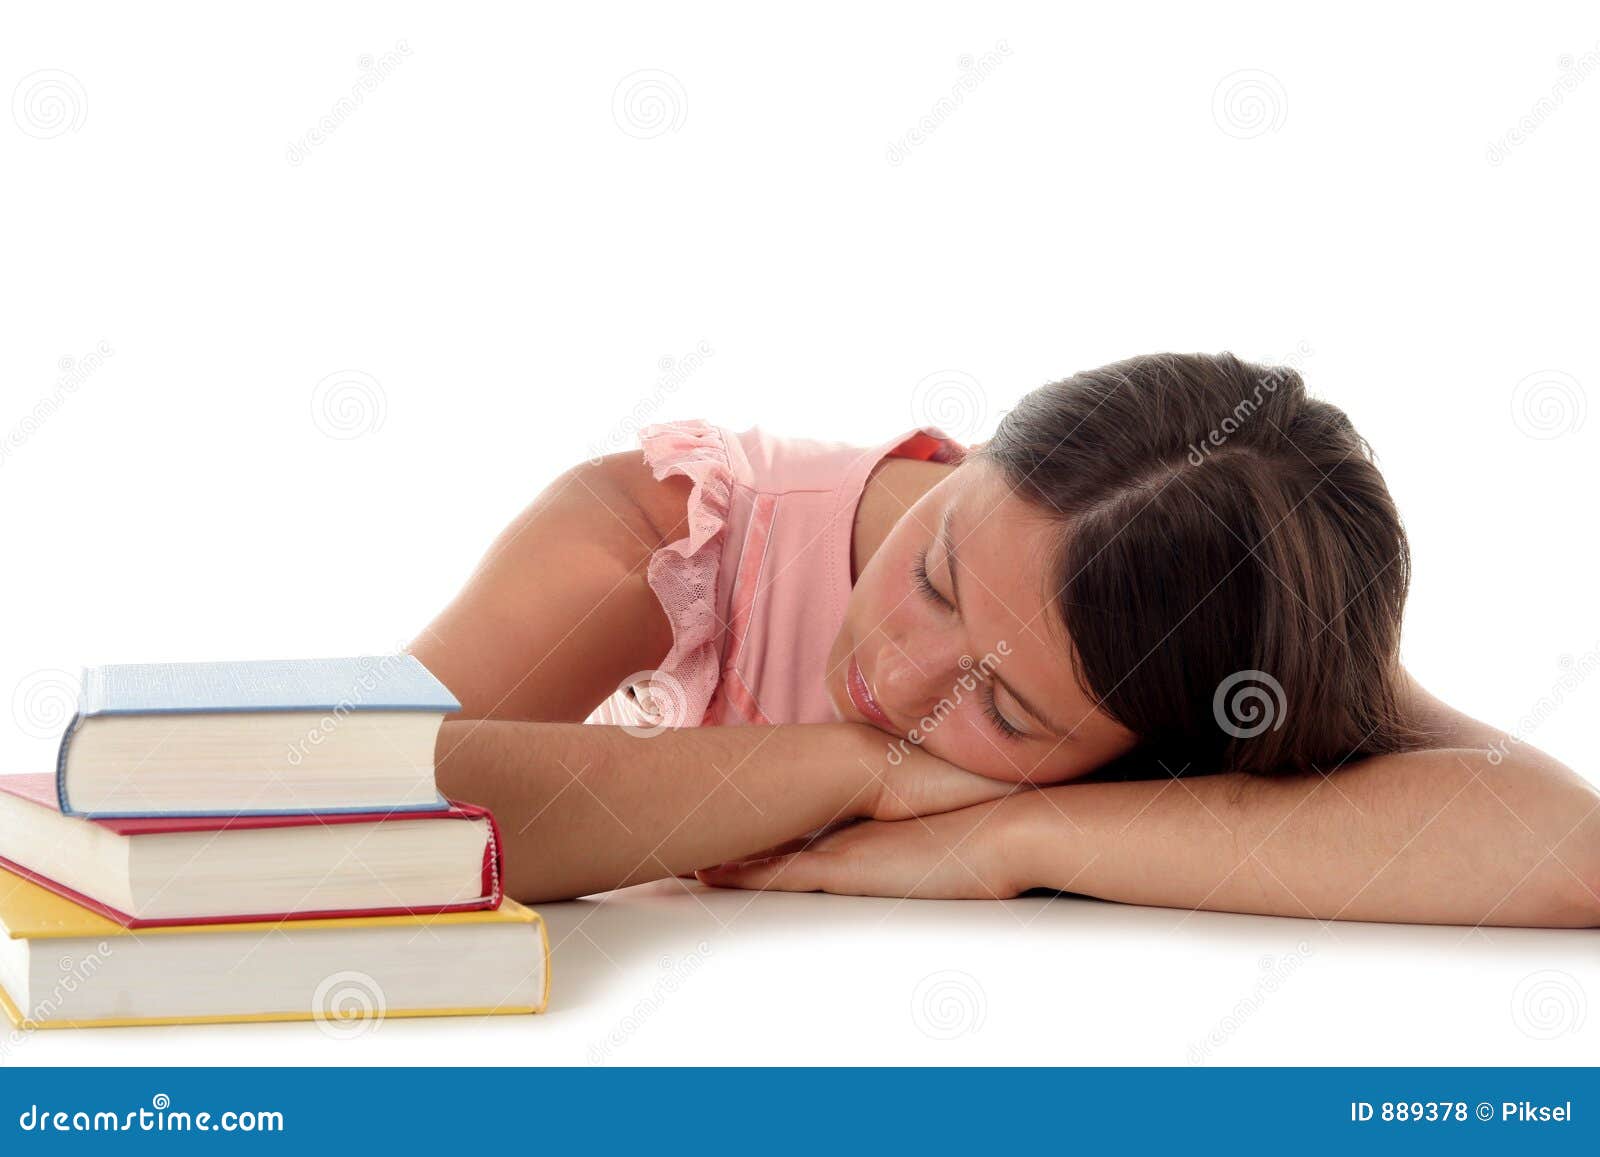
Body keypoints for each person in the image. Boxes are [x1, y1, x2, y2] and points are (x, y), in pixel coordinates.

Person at [413, 352, 1599, 927]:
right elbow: (367, 806)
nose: (897, 673)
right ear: (962, 456)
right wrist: (856, 769)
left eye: (1011, 709)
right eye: (932, 574)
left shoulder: (1206, 652)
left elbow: (1569, 846)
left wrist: (1018, 831)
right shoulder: (672, 531)